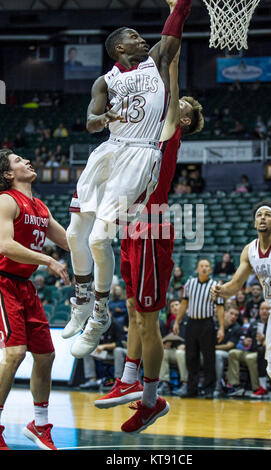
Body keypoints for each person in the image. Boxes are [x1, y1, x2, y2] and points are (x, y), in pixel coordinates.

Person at [87, 10, 204, 434]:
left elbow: (169, 78)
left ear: (184, 120)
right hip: (134, 224)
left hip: (152, 224)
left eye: (181, 105)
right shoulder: (145, 130)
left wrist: (177, 12)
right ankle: (129, 380)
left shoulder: (169, 131)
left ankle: (151, 398)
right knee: (136, 310)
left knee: (147, 318)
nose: (176, 101)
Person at [63, 0, 193, 366]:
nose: (142, 39)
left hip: (141, 154)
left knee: (101, 238)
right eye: (134, 36)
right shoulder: (105, 80)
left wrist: (181, 3)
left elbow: (175, 28)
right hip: (109, 150)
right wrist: (104, 116)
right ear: (120, 47)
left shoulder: (157, 61)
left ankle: (100, 313)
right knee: (76, 234)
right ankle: (82, 298)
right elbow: (89, 122)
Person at [211, 200, 271, 442]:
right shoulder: (249, 250)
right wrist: (221, 291)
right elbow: (235, 285)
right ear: (254, 222)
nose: (262, 218)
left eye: (267, 215)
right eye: (258, 215)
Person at [0, 148, 70, 450]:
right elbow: (5, 245)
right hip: (2, 282)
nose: (27, 161)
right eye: (18, 160)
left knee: (45, 356)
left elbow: (68, 240)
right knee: (15, 354)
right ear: (7, 174)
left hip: (25, 286)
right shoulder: (5, 200)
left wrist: (100, 240)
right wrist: (49, 261)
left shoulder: (40, 207)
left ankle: (39, 425)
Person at [173, 259, 225, 398]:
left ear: (210, 270)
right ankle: (192, 389)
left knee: (209, 357)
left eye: (206, 266)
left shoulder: (215, 285)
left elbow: (220, 308)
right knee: (190, 357)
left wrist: (221, 327)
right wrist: (177, 322)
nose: (204, 268)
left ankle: (208, 389)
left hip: (207, 324)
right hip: (191, 323)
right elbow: (184, 303)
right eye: (201, 266)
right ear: (197, 269)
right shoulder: (190, 283)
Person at [79, 312, 127, 390]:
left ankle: (118, 381)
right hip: (105, 354)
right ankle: (92, 380)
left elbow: (121, 344)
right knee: (87, 351)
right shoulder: (98, 326)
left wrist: (104, 346)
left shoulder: (116, 325)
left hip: (119, 354)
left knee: (117, 350)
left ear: (110, 315)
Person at [214, 303, 241, 397]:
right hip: (211, 352)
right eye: (231, 313)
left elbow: (229, 346)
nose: (233, 317)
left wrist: (211, 348)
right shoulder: (215, 324)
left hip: (228, 354)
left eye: (236, 315)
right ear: (224, 313)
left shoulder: (237, 327)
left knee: (218, 354)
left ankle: (217, 388)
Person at [250, 301, 270, 398]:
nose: (264, 311)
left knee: (261, 351)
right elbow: (245, 337)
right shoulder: (254, 323)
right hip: (252, 350)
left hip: (267, 352)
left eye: (267, 309)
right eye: (262, 309)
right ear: (259, 311)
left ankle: (263, 387)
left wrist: (263, 340)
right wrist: (245, 340)